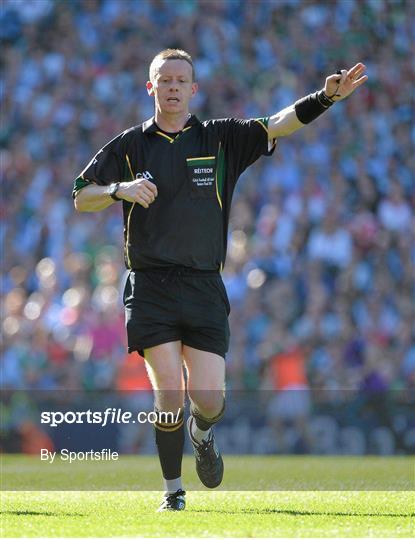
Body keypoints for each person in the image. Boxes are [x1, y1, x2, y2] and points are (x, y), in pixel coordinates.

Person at [73, 48, 367, 511]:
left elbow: (277, 124)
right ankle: (173, 491)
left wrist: (324, 98)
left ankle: (203, 433)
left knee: (207, 399)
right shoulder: (128, 145)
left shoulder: (220, 138)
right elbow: (81, 195)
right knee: (169, 390)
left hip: (204, 285)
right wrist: (117, 190)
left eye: (180, 80)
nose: (172, 86)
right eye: (163, 79)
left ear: (194, 89)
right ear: (151, 87)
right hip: (150, 285)